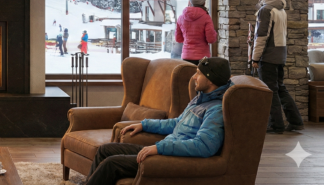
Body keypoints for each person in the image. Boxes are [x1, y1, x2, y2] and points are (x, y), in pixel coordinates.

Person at [85, 57, 232, 185]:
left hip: (173, 159)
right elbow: (177, 123)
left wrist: (159, 148)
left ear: (211, 79)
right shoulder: (199, 99)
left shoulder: (216, 109)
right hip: (166, 150)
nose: (194, 77)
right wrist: (144, 124)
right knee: (105, 150)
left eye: (199, 74)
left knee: (112, 164)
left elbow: (204, 146)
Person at [252, 0, 304, 134]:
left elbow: (261, 36)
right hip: (280, 55)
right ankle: (295, 121)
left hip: (268, 57)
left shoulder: (266, 10)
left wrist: (255, 58)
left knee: (270, 91)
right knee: (280, 88)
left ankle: (276, 125)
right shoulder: (281, 9)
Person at [175, 0, 217, 65]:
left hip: (186, 56)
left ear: (190, 2)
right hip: (202, 58)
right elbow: (211, 39)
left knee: (188, 76)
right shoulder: (206, 17)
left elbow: (178, 39)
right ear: (204, 3)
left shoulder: (181, 17)